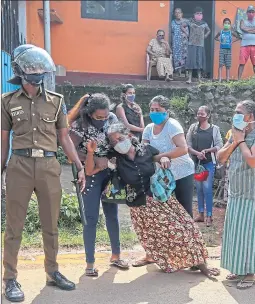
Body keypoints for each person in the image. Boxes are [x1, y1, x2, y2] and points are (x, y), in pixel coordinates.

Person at [1, 44, 86, 302]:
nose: (37, 73)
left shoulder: (56, 101)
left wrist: (79, 166)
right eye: (32, 68)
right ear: (21, 71)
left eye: (40, 69)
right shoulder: (7, 102)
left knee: (51, 225)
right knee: (15, 225)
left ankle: (52, 271)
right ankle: (10, 279)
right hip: (20, 166)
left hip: (49, 167)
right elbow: (3, 141)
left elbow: (65, 138)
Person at [84, 123, 220, 277]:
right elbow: (89, 170)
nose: (117, 144)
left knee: (187, 230)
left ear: (129, 135)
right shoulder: (115, 158)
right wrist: (90, 153)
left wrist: (164, 159)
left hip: (161, 200)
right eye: (114, 142)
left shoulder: (146, 150)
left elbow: (161, 157)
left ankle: (202, 265)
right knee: (155, 239)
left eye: (120, 139)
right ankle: (170, 260)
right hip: (139, 207)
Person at [69, 93, 128, 277]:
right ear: (89, 113)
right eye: (98, 117)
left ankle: (116, 255)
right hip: (90, 174)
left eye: (105, 116)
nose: (103, 120)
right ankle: (90, 263)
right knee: (91, 218)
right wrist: (92, 158)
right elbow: (70, 150)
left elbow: (120, 139)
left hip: (110, 174)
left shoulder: (112, 118)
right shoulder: (79, 125)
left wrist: (112, 159)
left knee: (112, 215)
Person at [218, 100, 255, 289]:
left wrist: (240, 141)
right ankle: (238, 268)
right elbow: (220, 158)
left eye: (239, 112)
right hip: (237, 190)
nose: (235, 115)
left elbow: (253, 160)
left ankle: (250, 273)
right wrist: (235, 140)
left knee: (251, 233)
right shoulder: (234, 134)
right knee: (235, 232)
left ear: (250, 117)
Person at [143, 95, 195, 216]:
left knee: (184, 210)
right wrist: (160, 158)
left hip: (182, 172)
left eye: (158, 110)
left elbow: (183, 149)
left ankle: (189, 235)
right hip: (162, 175)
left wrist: (161, 157)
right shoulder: (148, 129)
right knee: (164, 210)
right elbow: (144, 151)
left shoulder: (172, 125)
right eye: (152, 110)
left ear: (166, 112)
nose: (154, 112)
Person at [186, 106, 223, 226]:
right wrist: (197, 154)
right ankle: (201, 214)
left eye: (202, 114)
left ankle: (209, 215)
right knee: (200, 189)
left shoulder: (214, 129)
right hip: (197, 163)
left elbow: (219, 145)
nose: (199, 115)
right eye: (198, 113)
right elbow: (187, 145)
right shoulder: (193, 128)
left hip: (208, 163)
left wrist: (207, 151)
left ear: (208, 116)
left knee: (207, 189)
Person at [184, 7, 211, 84]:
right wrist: (187, 34)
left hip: (200, 45)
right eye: (197, 13)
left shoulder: (204, 23)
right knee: (191, 61)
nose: (199, 15)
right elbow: (182, 26)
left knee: (199, 61)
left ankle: (199, 78)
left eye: (200, 13)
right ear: (194, 14)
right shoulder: (190, 21)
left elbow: (209, 30)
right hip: (191, 44)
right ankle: (189, 78)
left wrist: (205, 35)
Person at [238, 5, 255, 80]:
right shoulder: (243, 21)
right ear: (247, 13)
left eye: (252, 12)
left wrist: (247, 30)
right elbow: (242, 28)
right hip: (244, 45)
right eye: (249, 12)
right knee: (241, 63)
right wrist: (254, 30)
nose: (251, 13)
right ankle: (238, 80)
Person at [171, 7, 189, 77]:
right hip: (176, 43)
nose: (177, 14)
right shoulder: (173, 22)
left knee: (185, 57)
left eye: (179, 12)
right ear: (174, 14)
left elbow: (189, 32)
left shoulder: (186, 22)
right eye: (176, 12)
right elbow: (172, 33)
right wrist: (172, 42)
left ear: (182, 13)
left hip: (184, 43)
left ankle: (186, 73)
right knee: (177, 57)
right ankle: (179, 73)